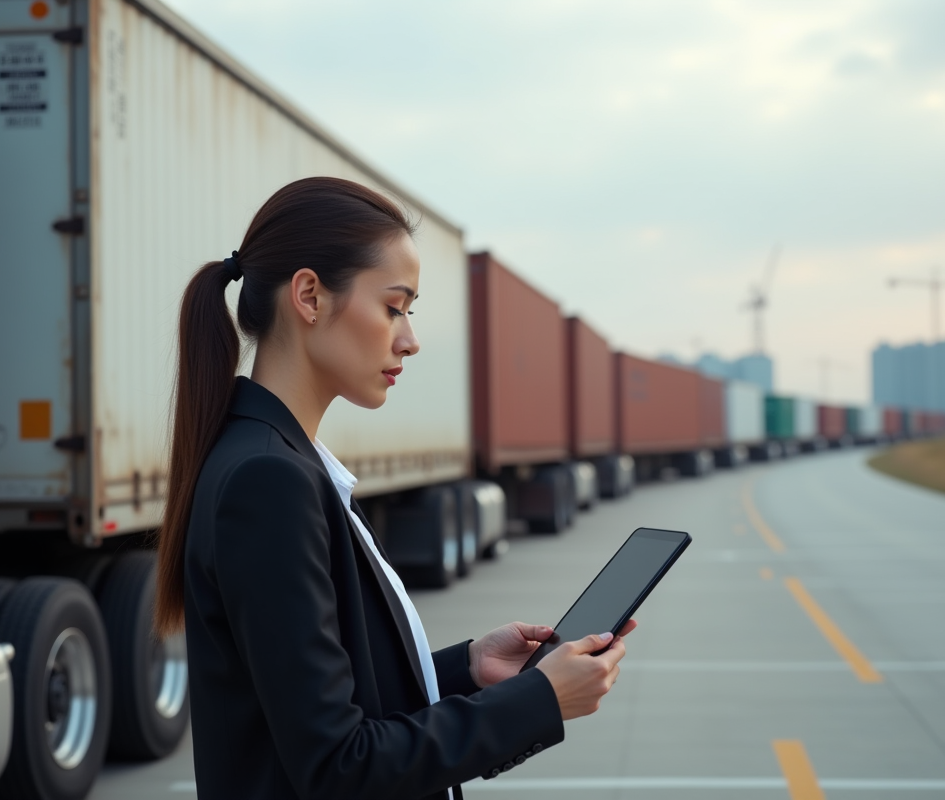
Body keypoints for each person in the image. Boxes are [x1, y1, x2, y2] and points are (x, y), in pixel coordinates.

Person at [153, 177, 633, 800]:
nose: (409, 338)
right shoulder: (268, 481)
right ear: (309, 296)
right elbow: (338, 766)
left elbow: (330, 706)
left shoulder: (279, 462)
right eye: (393, 306)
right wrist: (538, 701)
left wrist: (467, 670)